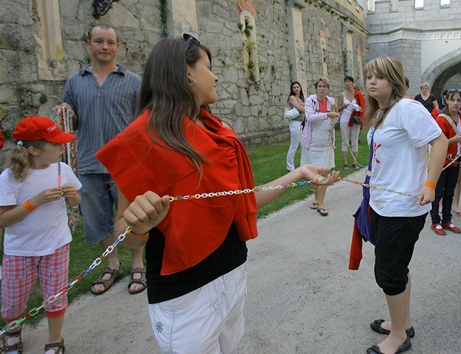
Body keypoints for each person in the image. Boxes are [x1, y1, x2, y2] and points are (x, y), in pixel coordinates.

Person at [94, 35, 339, 353]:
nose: (217, 76)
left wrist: (298, 175)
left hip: (233, 275)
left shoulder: (217, 131)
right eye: (209, 67)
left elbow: (242, 201)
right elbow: (124, 236)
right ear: (188, 74)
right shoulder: (141, 139)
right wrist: (139, 225)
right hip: (185, 296)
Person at [361, 56, 447, 354]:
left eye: (379, 77)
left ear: (393, 80)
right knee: (397, 265)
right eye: (369, 76)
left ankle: (398, 337)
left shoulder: (408, 108)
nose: (371, 81)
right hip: (384, 202)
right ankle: (403, 322)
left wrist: (430, 184)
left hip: (404, 206)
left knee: (388, 271)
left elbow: (440, 141)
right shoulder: (383, 112)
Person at [62, 24, 144, 296]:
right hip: (88, 164)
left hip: (124, 164)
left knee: (133, 217)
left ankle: (137, 264)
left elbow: (142, 120)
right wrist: (64, 114)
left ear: (117, 46)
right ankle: (112, 264)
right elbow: (71, 123)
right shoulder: (75, 81)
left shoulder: (133, 81)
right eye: (99, 41)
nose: (105, 47)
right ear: (89, 45)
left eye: (110, 42)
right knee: (98, 221)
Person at [0, 116, 82, 354]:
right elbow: (4, 219)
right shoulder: (9, 178)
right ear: (34, 150)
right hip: (20, 250)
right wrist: (34, 201)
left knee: (55, 297)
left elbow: (77, 202)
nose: (61, 147)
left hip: (56, 245)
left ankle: (55, 340)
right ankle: (13, 335)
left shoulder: (62, 169)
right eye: (55, 144)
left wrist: (72, 197)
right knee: (13, 300)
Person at [430, 88, 461, 236]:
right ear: (447, 100)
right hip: (442, 161)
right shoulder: (442, 119)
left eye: (459, 100)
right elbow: (438, 142)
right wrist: (453, 140)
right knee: (438, 192)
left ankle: (447, 219)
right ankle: (435, 221)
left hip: (455, 160)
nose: (456, 103)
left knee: (450, 192)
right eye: (453, 100)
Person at [301, 77, 341, 216]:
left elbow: (334, 120)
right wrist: (327, 114)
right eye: (319, 86)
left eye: (324, 86)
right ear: (316, 88)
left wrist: (335, 115)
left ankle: (321, 203)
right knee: (313, 173)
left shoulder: (331, 101)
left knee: (323, 172)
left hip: (326, 142)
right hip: (312, 142)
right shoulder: (310, 101)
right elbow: (310, 117)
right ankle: (317, 199)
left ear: (328, 89)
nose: (322, 89)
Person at [337, 75, 366, 170]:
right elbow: (338, 108)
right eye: (346, 81)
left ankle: (354, 162)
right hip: (345, 119)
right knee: (345, 141)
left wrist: (358, 108)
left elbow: (362, 107)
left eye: (349, 81)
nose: (347, 83)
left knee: (354, 141)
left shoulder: (358, 94)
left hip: (355, 119)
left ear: (352, 83)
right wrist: (343, 107)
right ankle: (345, 162)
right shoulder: (342, 95)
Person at [285, 81, 305, 172]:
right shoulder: (292, 98)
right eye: (294, 87)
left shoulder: (302, 99)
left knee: (304, 145)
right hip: (295, 124)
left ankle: (303, 163)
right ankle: (290, 166)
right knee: (294, 145)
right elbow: (299, 108)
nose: (296, 89)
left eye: (297, 87)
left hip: (303, 124)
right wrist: (308, 109)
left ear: (300, 88)